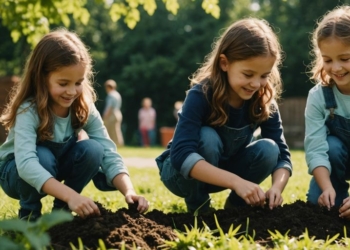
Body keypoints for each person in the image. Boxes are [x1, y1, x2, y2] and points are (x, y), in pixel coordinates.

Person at [0, 28, 148, 221]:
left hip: (53, 165)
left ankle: (61, 213)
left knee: (93, 149)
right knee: (42, 156)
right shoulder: (29, 109)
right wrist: (72, 196)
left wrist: (129, 191)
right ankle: (29, 214)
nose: (71, 91)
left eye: (78, 82)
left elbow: (108, 150)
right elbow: (27, 164)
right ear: (41, 78)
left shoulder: (83, 107)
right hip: (16, 173)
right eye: (63, 83)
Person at [155, 18, 292, 214]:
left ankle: (236, 207)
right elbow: (181, 155)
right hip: (180, 175)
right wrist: (236, 182)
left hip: (227, 171)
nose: (256, 84)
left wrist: (277, 188)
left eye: (264, 76)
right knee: (207, 137)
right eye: (248, 74)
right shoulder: (201, 94)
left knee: (269, 149)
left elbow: (282, 156)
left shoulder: (263, 99)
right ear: (224, 63)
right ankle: (199, 207)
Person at [304, 5, 350, 219]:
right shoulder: (319, 96)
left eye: (345, 58)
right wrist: (326, 188)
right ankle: (336, 191)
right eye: (328, 60)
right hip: (335, 165)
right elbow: (315, 148)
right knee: (318, 205)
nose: (336, 68)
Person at [103, 79, 124, 147]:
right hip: (118, 113)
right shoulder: (117, 94)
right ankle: (119, 144)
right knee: (117, 130)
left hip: (112, 114)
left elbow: (109, 107)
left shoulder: (111, 95)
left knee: (111, 131)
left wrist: (105, 116)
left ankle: (116, 144)